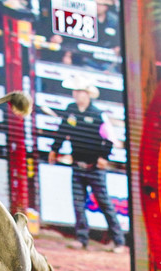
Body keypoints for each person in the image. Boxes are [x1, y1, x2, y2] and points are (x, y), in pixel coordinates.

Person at [48, 77, 125, 252]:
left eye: (80, 92)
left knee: (104, 203)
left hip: (94, 167)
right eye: (75, 92)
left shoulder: (98, 114)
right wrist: (54, 149)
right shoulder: (70, 110)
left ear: (88, 94)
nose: (76, 95)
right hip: (77, 164)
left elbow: (109, 137)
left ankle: (118, 241)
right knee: (78, 203)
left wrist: (103, 157)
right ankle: (81, 239)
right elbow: (63, 130)